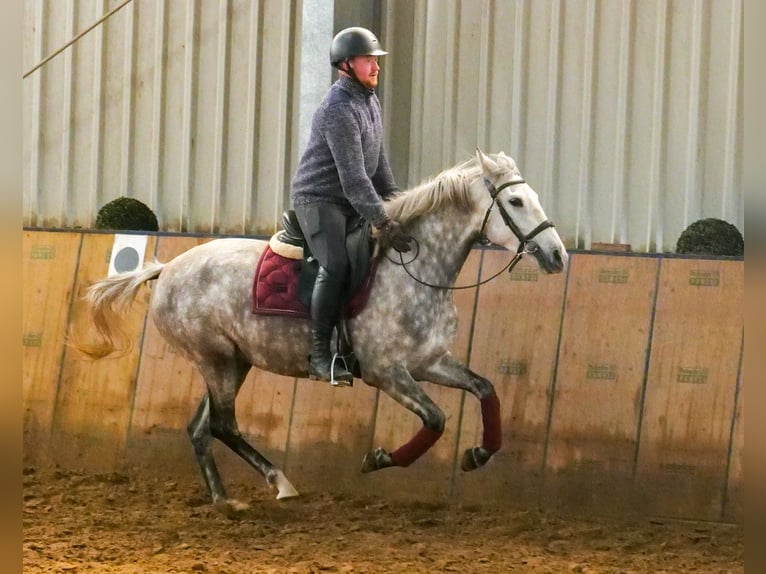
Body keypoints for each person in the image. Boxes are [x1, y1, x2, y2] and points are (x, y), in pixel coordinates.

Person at [290, 26, 411, 385]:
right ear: (346, 65)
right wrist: (383, 221)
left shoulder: (368, 101)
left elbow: (378, 164)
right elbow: (355, 179)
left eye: (376, 61)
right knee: (338, 263)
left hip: (348, 200)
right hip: (319, 198)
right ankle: (319, 355)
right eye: (368, 61)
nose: (376, 67)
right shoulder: (338, 109)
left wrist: (397, 205)